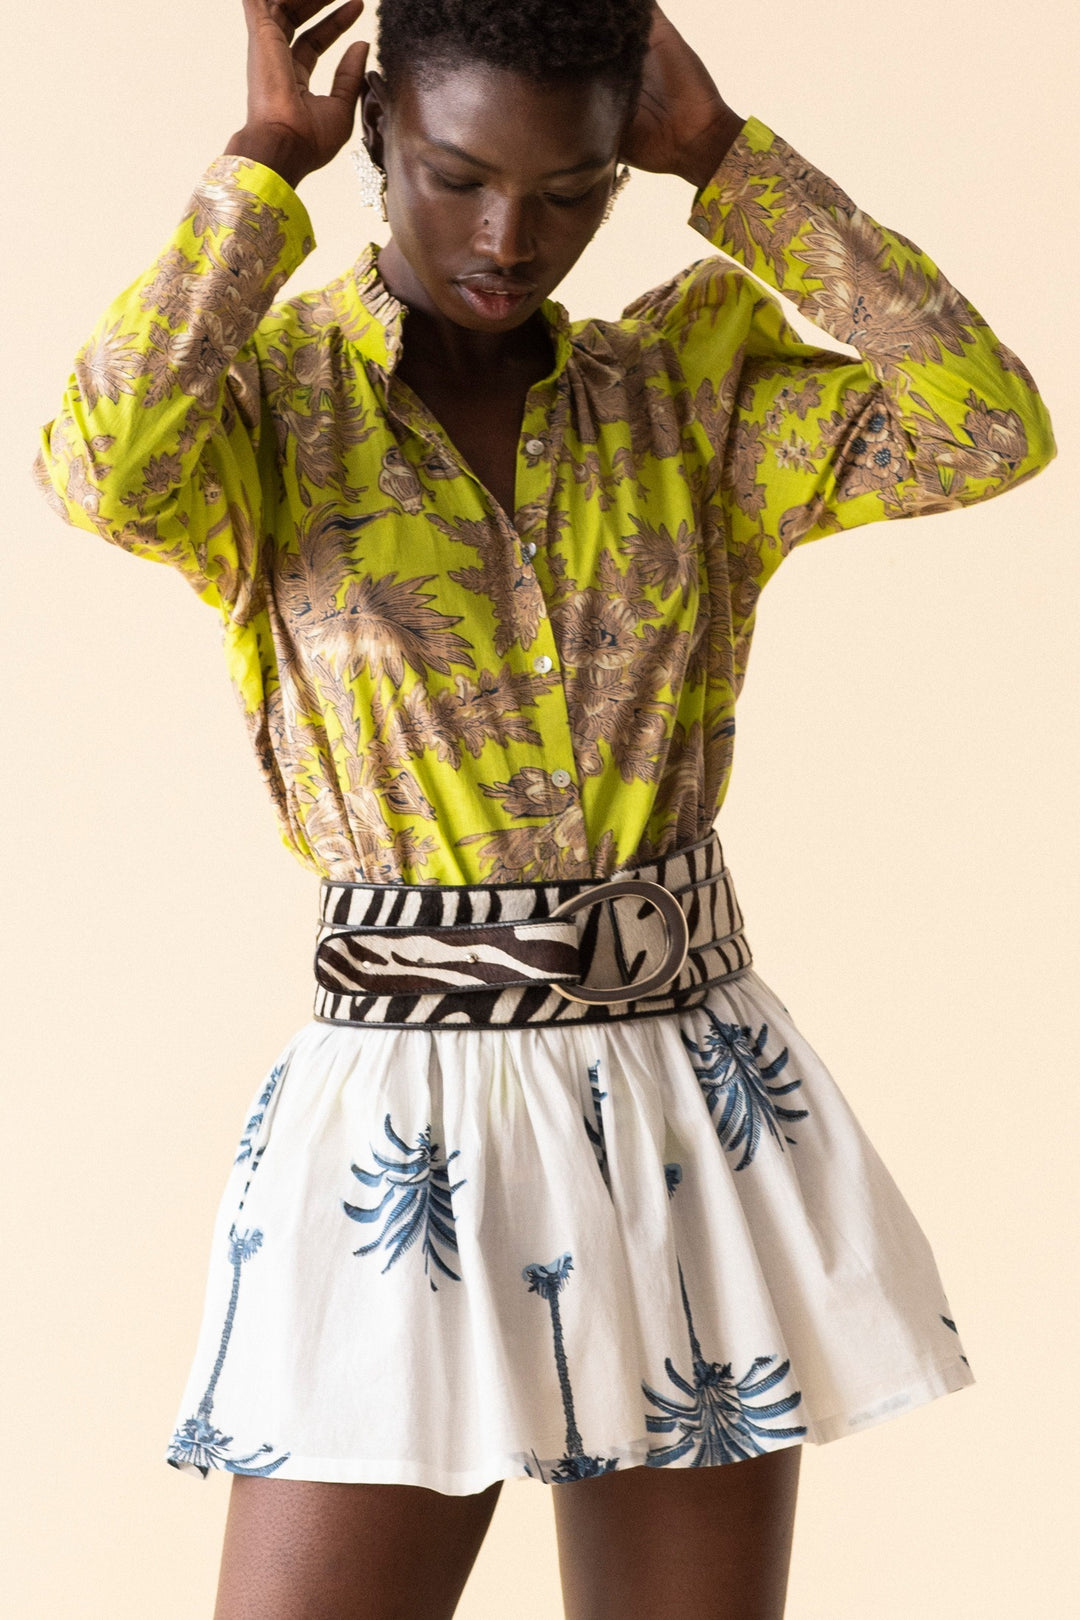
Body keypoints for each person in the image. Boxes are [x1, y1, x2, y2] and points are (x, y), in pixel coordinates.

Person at [31, 0, 1056, 1615]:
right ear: (377, 135)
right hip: (407, 1116)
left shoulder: (691, 394)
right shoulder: (273, 412)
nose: (511, 236)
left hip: (683, 1104)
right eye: (456, 175)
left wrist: (732, 162)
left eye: (571, 191)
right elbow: (96, 463)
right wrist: (256, 170)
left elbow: (986, 423)